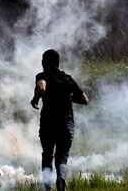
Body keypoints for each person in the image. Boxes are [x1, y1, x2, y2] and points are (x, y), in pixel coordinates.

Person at [30, 49, 89, 191]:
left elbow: (41, 87)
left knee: (47, 155)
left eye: (43, 60)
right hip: (66, 123)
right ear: (58, 63)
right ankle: (61, 179)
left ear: (44, 62)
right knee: (62, 159)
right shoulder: (67, 78)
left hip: (48, 123)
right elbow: (84, 99)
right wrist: (68, 98)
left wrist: (36, 98)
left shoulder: (42, 75)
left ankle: (47, 187)